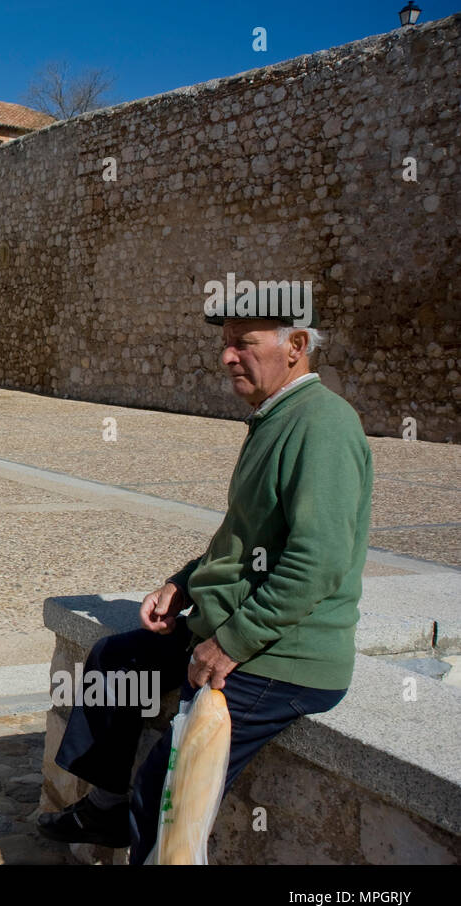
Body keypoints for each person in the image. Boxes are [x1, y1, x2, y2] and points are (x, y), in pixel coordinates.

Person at [37, 305, 372, 864]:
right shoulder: (274, 416)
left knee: (166, 792)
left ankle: (132, 813)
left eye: (244, 342)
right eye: (225, 343)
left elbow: (317, 562)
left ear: (295, 346)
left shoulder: (323, 427)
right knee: (115, 663)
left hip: (283, 656)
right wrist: (182, 586)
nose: (226, 356)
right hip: (231, 626)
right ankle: (104, 805)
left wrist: (233, 642)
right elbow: (243, 537)